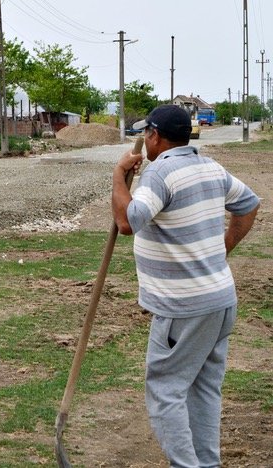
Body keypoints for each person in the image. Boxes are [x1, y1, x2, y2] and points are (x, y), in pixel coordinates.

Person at [111, 104, 260, 467]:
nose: (144, 140)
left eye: (146, 133)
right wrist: (222, 249)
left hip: (184, 308)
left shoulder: (160, 172)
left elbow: (130, 221)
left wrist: (118, 176)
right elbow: (249, 204)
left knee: (165, 390)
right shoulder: (209, 166)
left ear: (155, 136)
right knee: (204, 389)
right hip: (221, 301)